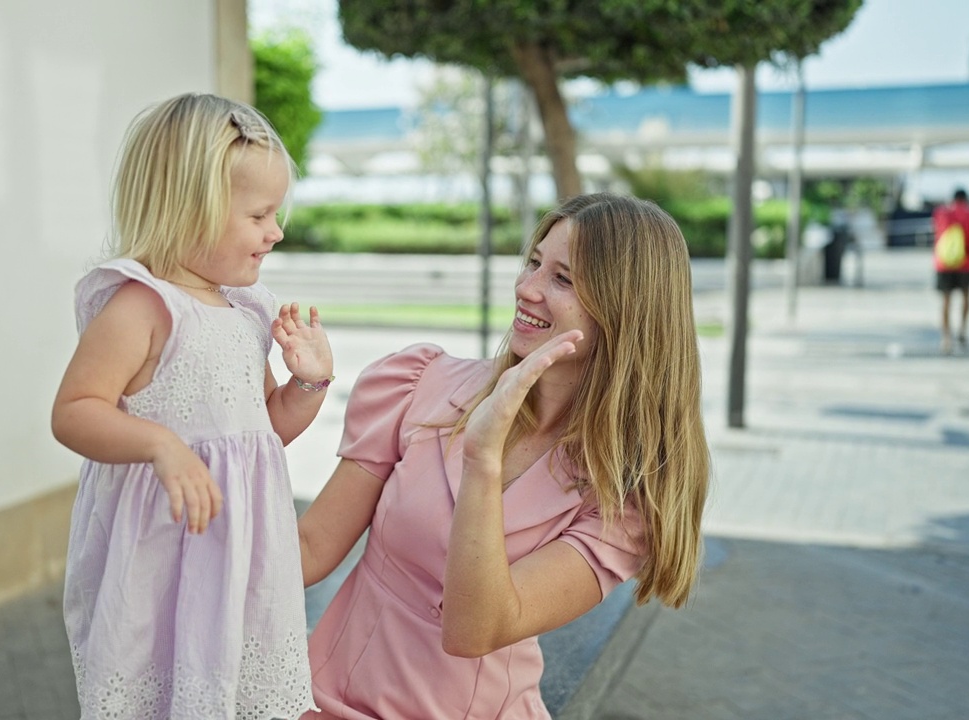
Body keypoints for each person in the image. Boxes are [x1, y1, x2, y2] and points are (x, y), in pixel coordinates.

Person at [296, 193, 710, 719]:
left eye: (562, 278)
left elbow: (477, 630)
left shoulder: (624, 499)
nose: (526, 288)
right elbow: (310, 547)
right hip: (320, 697)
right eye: (534, 263)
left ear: (625, 309)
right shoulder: (419, 383)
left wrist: (482, 459)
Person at [52, 93, 330, 720]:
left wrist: (307, 385)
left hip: (238, 566)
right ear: (190, 211)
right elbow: (74, 410)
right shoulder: (142, 307)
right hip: (159, 561)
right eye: (259, 214)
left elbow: (265, 430)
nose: (276, 231)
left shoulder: (246, 311)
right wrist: (160, 443)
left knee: (234, 693)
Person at [932, 188, 969, 353]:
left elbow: (938, 236)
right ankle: (962, 331)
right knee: (966, 298)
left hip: (944, 263)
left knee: (946, 301)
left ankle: (946, 337)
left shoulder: (942, 213)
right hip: (966, 263)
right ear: (966, 199)